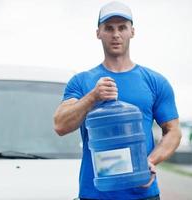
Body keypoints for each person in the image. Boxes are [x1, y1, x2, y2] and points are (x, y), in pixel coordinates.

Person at [53, 1, 182, 200]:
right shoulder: (82, 81)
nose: (116, 34)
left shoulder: (154, 81)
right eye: (109, 28)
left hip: (142, 192)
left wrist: (149, 161)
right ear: (98, 33)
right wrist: (92, 97)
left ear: (132, 31)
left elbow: (173, 131)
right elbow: (60, 125)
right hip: (95, 194)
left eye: (122, 27)